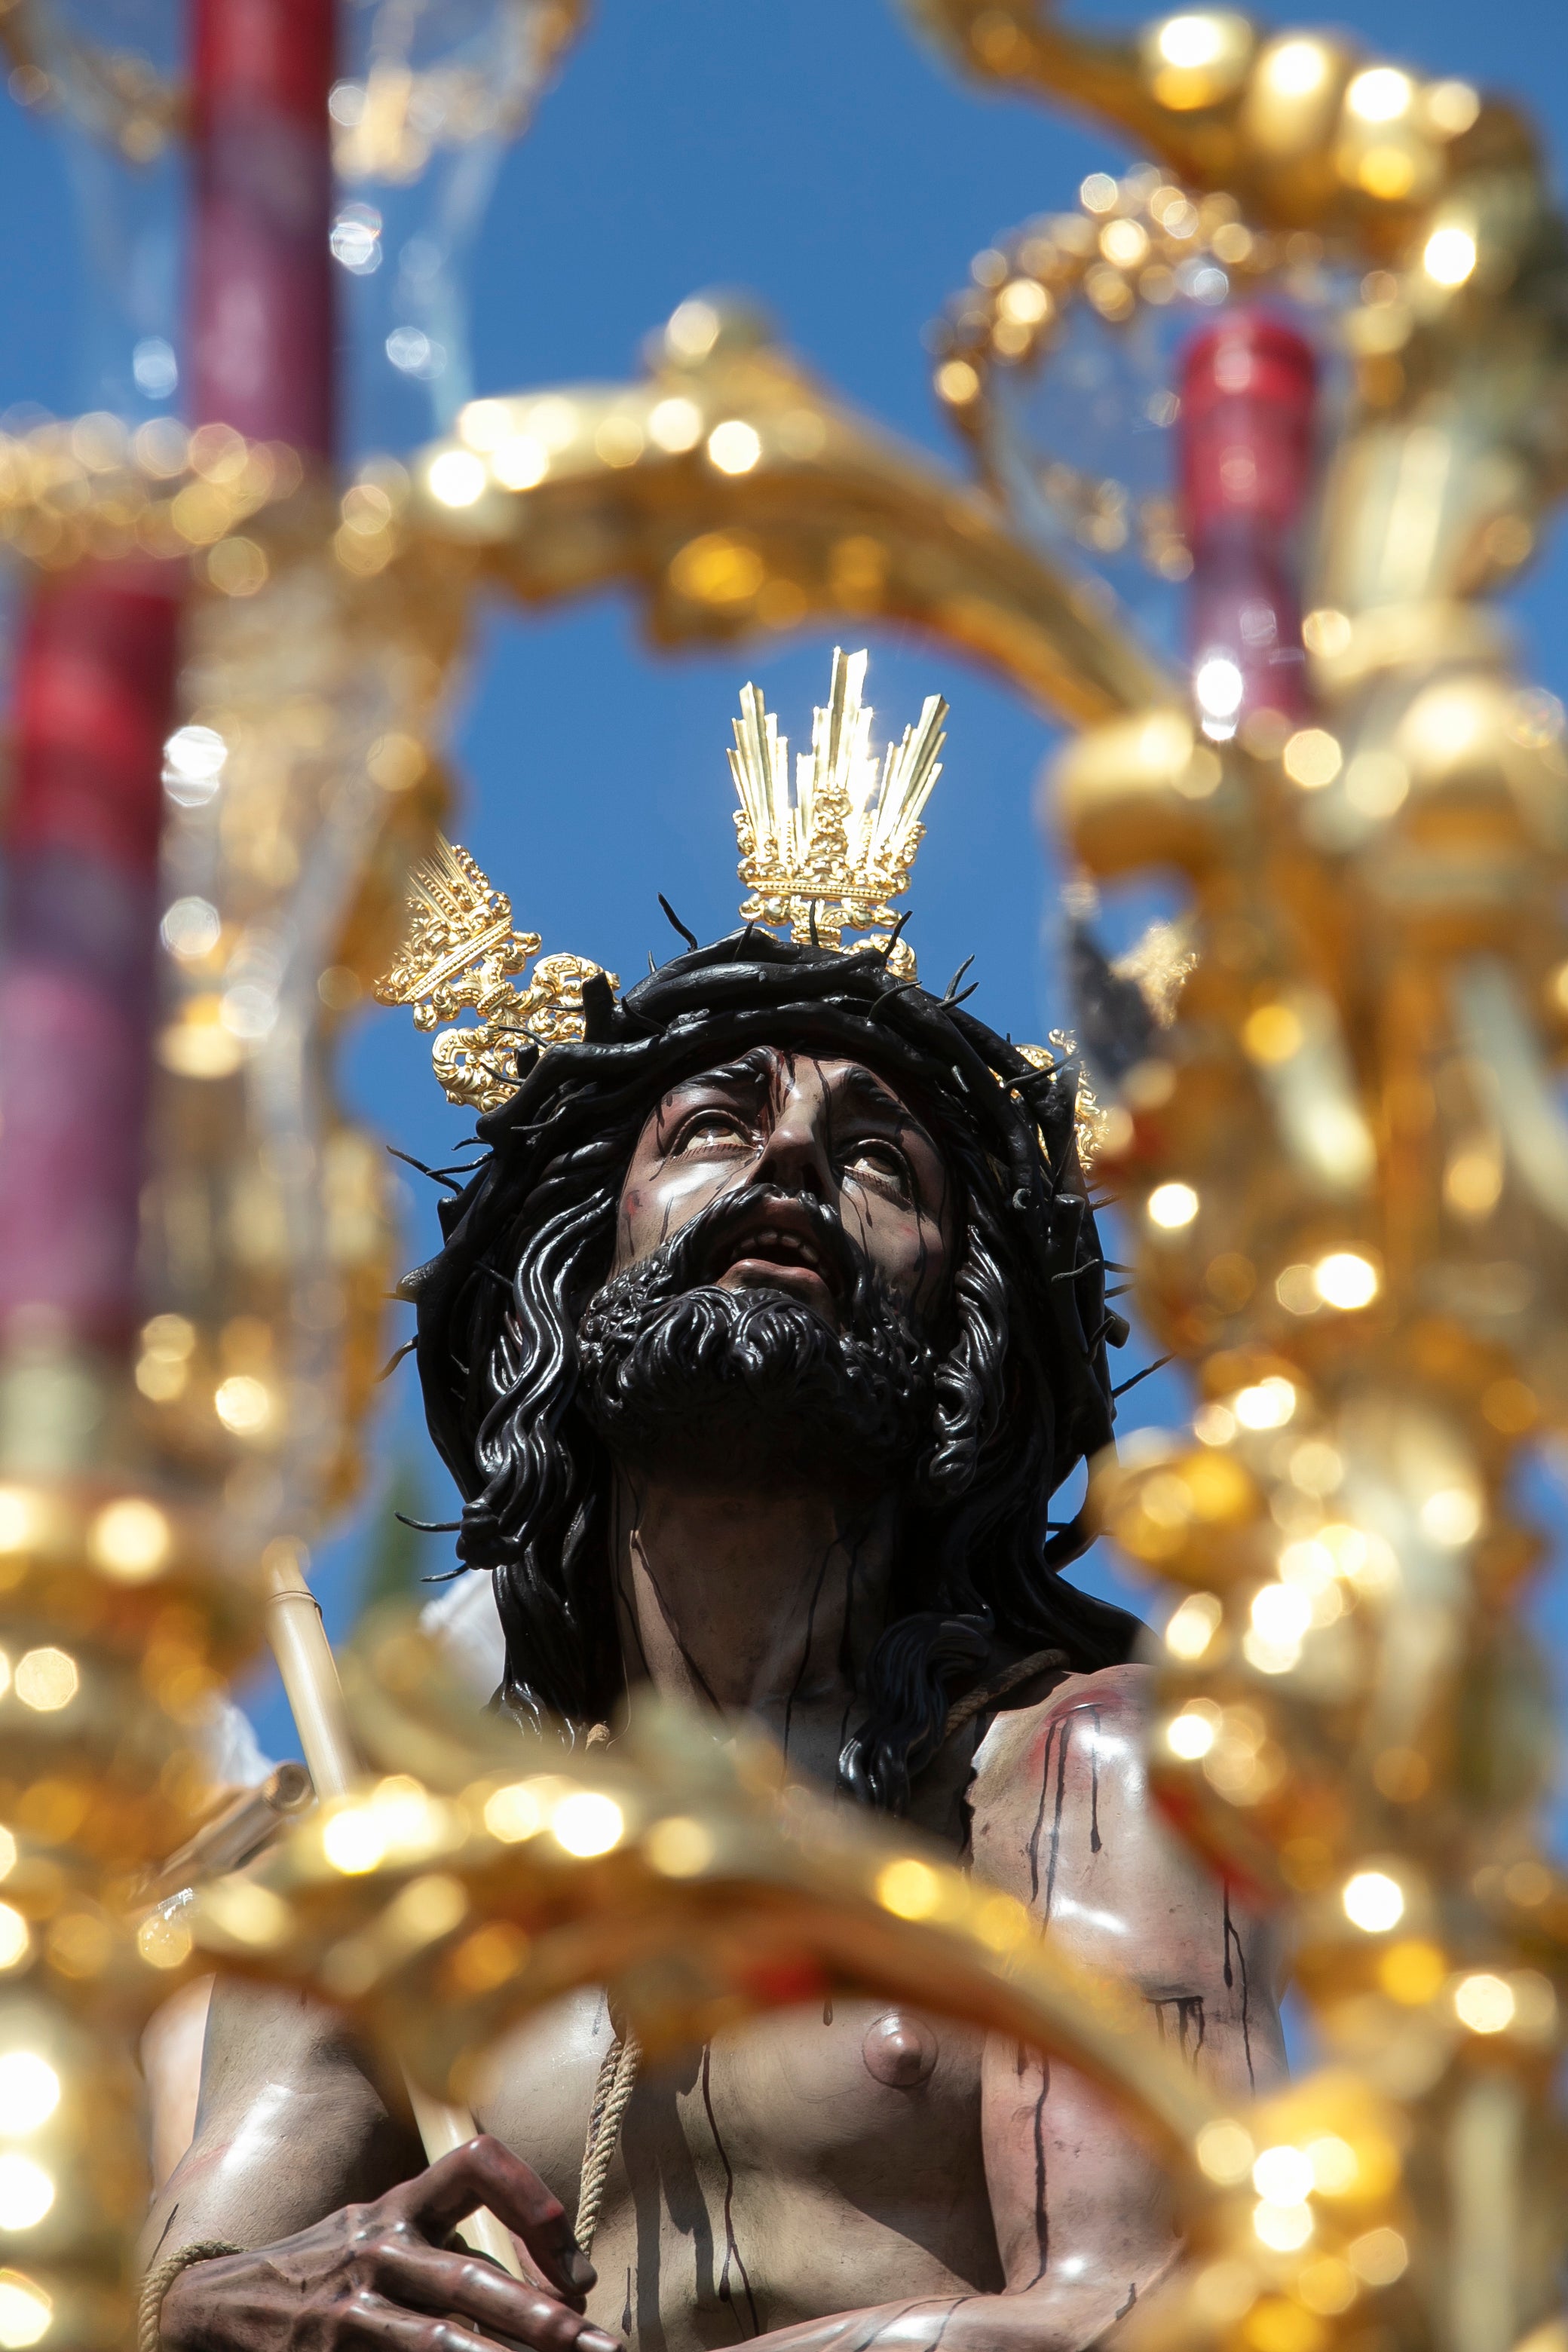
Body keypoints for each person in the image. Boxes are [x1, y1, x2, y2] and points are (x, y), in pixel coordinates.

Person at [143, 655, 1282, 2352]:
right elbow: (169, 2296)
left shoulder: (1078, 1779)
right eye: (711, 1127)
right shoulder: (397, 1866)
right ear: (578, 1264)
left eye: (879, 1157)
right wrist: (251, 2307)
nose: (793, 1161)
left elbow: (1165, 2309)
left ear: (957, 1333)